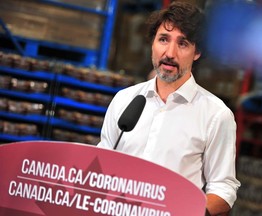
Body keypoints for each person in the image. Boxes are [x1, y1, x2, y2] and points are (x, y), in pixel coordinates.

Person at [97, 2, 240, 215]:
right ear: (153, 44)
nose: (170, 53)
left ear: (197, 52)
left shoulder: (216, 115)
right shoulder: (124, 100)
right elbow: (102, 161)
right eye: (163, 39)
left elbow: (223, 187)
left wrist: (193, 212)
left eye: (182, 44)